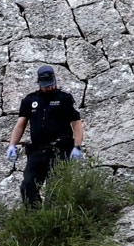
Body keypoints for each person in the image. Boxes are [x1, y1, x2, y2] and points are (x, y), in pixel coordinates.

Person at [6, 65, 84, 207]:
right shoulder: (30, 100)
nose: (49, 88)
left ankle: (54, 221)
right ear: (39, 83)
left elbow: (77, 124)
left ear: (54, 80)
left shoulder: (64, 98)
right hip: (37, 152)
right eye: (45, 85)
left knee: (56, 188)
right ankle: (35, 219)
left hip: (60, 150)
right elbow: (20, 125)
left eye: (51, 84)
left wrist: (77, 146)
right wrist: (12, 144)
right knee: (28, 185)